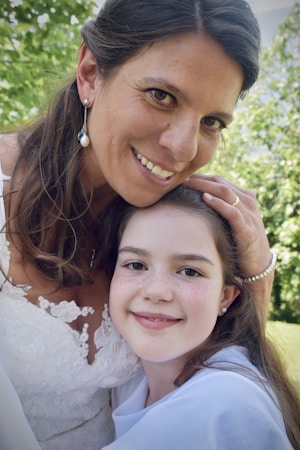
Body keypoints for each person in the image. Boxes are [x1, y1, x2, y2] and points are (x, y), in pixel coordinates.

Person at [0, 0, 275, 448]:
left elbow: (206, 391)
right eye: (161, 95)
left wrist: (257, 272)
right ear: (90, 73)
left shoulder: (165, 222)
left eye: (211, 122)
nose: (184, 148)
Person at [101, 186, 300, 450]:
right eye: (136, 265)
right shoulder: (129, 373)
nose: (156, 291)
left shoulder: (221, 404)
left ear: (225, 297)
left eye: (189, 271)